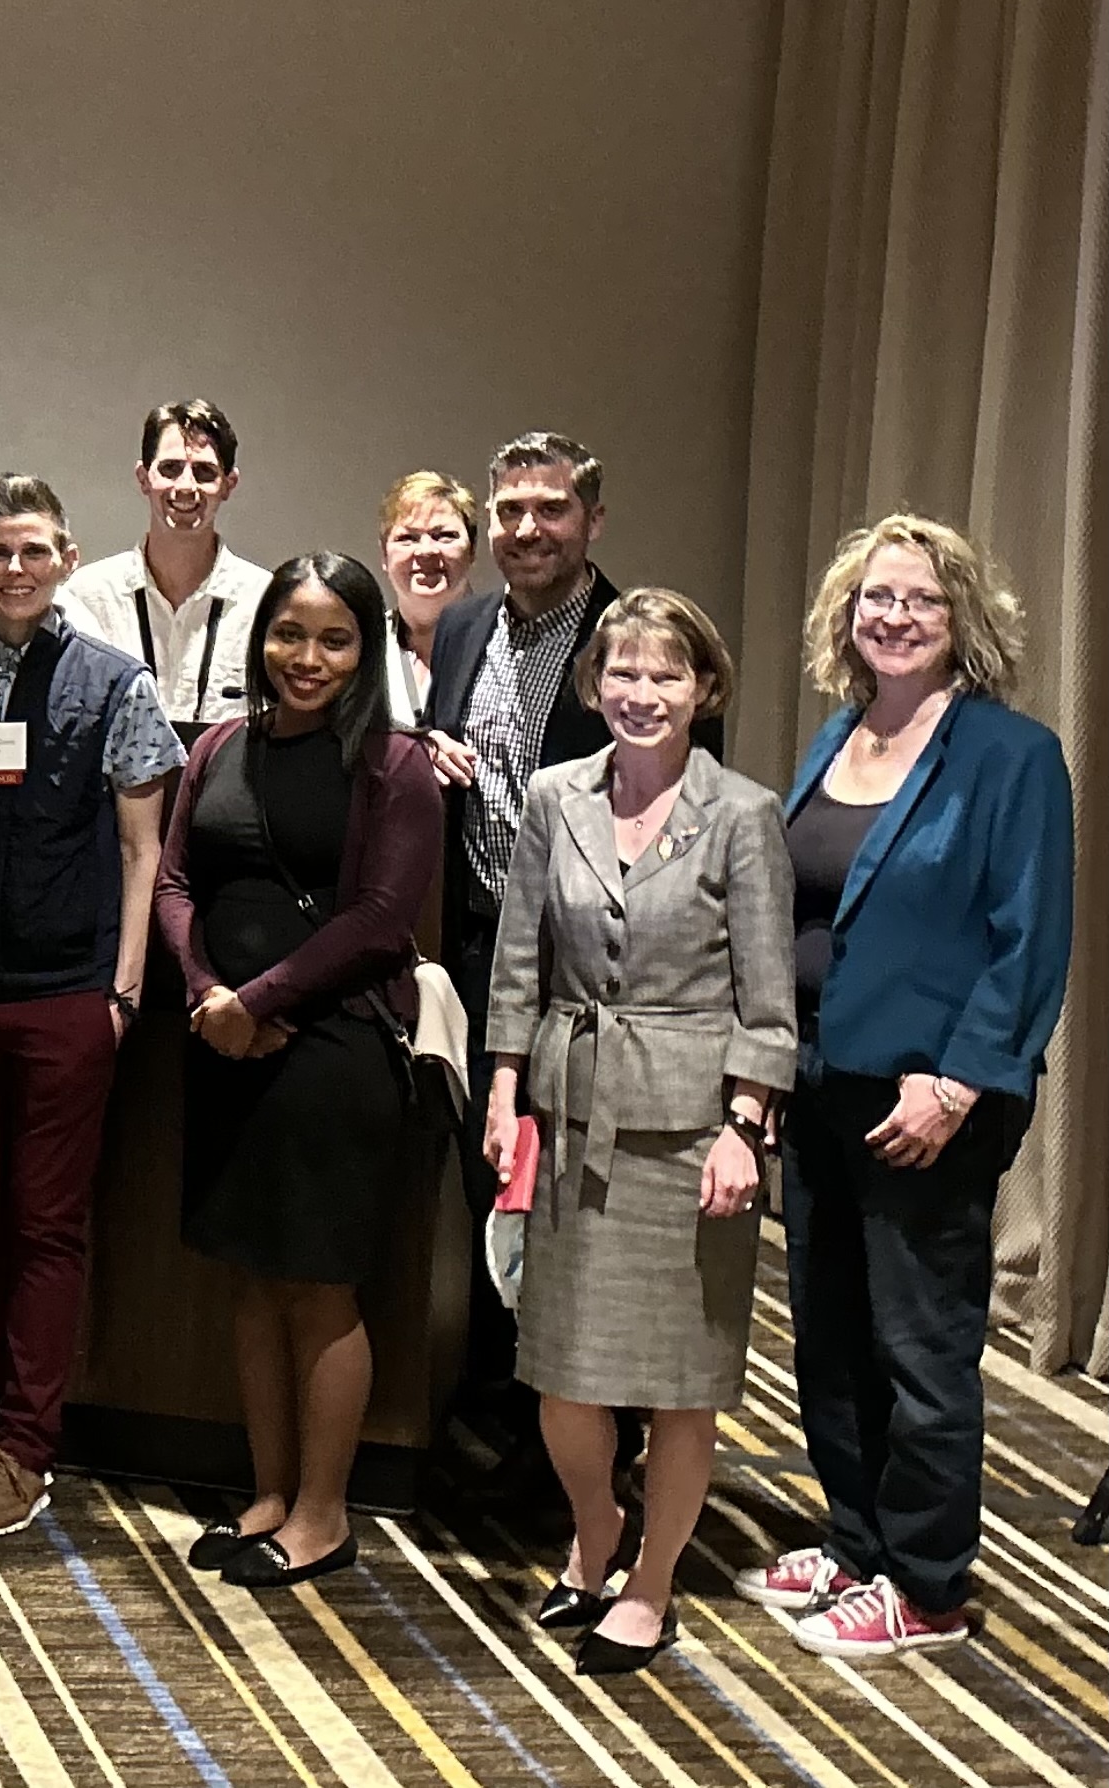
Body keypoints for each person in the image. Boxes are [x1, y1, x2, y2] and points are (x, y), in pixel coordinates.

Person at [740, 516, 1073, 1659]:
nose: (892, 616)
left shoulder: (1010, 755)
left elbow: (1029, 940)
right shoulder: (839, 737)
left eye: (919, 600)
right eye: (875, 597)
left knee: (919, 1344)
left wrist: (961, 1081)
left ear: (963, 618)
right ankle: (856, 1541)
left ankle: (928, 1581)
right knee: (828, 1333)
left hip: (930, 1100)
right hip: (824, 1080)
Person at [479, 588, 790, 1670]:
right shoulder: (556, 797)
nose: (642, 692)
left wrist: (745, 1126)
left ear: (704, 689)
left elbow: (768, 997)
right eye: (623, 672)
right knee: (562, 1370)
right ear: (592, 684)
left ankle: (651, 1580)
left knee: (675, 1380)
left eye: (667, 674)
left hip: (690, 1130)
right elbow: (520, 955)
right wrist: (504, 1084)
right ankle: (596, 1525)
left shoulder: (744, 815)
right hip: (570, 1113)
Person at [0, 474, 182, 1539]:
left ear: (65, 560)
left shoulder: (113, 684)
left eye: (35, 552)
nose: (15, 570)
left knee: (45, 1223)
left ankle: (25, 1445)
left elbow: (143, 847)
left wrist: (125, 985)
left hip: (67, 996)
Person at [423, 431, 718, 1459]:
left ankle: (608, 1424)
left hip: (600, 976)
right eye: (509, 510)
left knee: (594, 1198)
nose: (527, 529)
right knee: (493, 1180)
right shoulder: (461, 630)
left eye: (550, 509)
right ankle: (510, 1408)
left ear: (593, 520)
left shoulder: (636, 643)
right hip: (478, 952)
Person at [153, 553, 442, 1588]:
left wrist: (257, 1001)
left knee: (319, 1290)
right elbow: (178, 878)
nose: (306, 657)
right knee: (250, 1282)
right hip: (224, 1041)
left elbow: (378, 919)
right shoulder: (223, 743)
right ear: (260, 636)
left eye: (334, 638)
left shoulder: (393, 763)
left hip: (332, 1050)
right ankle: (268, 1493)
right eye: (289, 632)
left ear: (365, 651)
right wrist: (203, 995)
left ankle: (324, 1513)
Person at [62, 398, 272, 739]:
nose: (186, 487)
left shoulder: (266, 600)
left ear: (229, 485)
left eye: (204, 472)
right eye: (170, 469)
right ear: (143, 478)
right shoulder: (86, 597)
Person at [375, 471, 478, 726]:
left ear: (473, 549)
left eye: (444, 535)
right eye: (407, 538)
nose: (426, 551)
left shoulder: (505, 646)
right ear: (384, 556)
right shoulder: (366, 647)